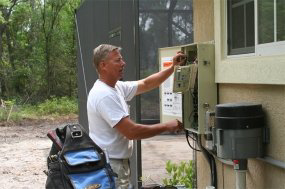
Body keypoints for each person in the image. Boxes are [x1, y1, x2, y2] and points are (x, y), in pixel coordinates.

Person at [87, 44, 185, 189]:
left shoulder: (116, 87)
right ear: (103, 65)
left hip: (116, 163)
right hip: (112, 166)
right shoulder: (104, 95)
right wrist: (166, 126)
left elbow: (146, 83)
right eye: (118, 60)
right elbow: (132, 131)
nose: (123, 63)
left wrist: (172, 67)